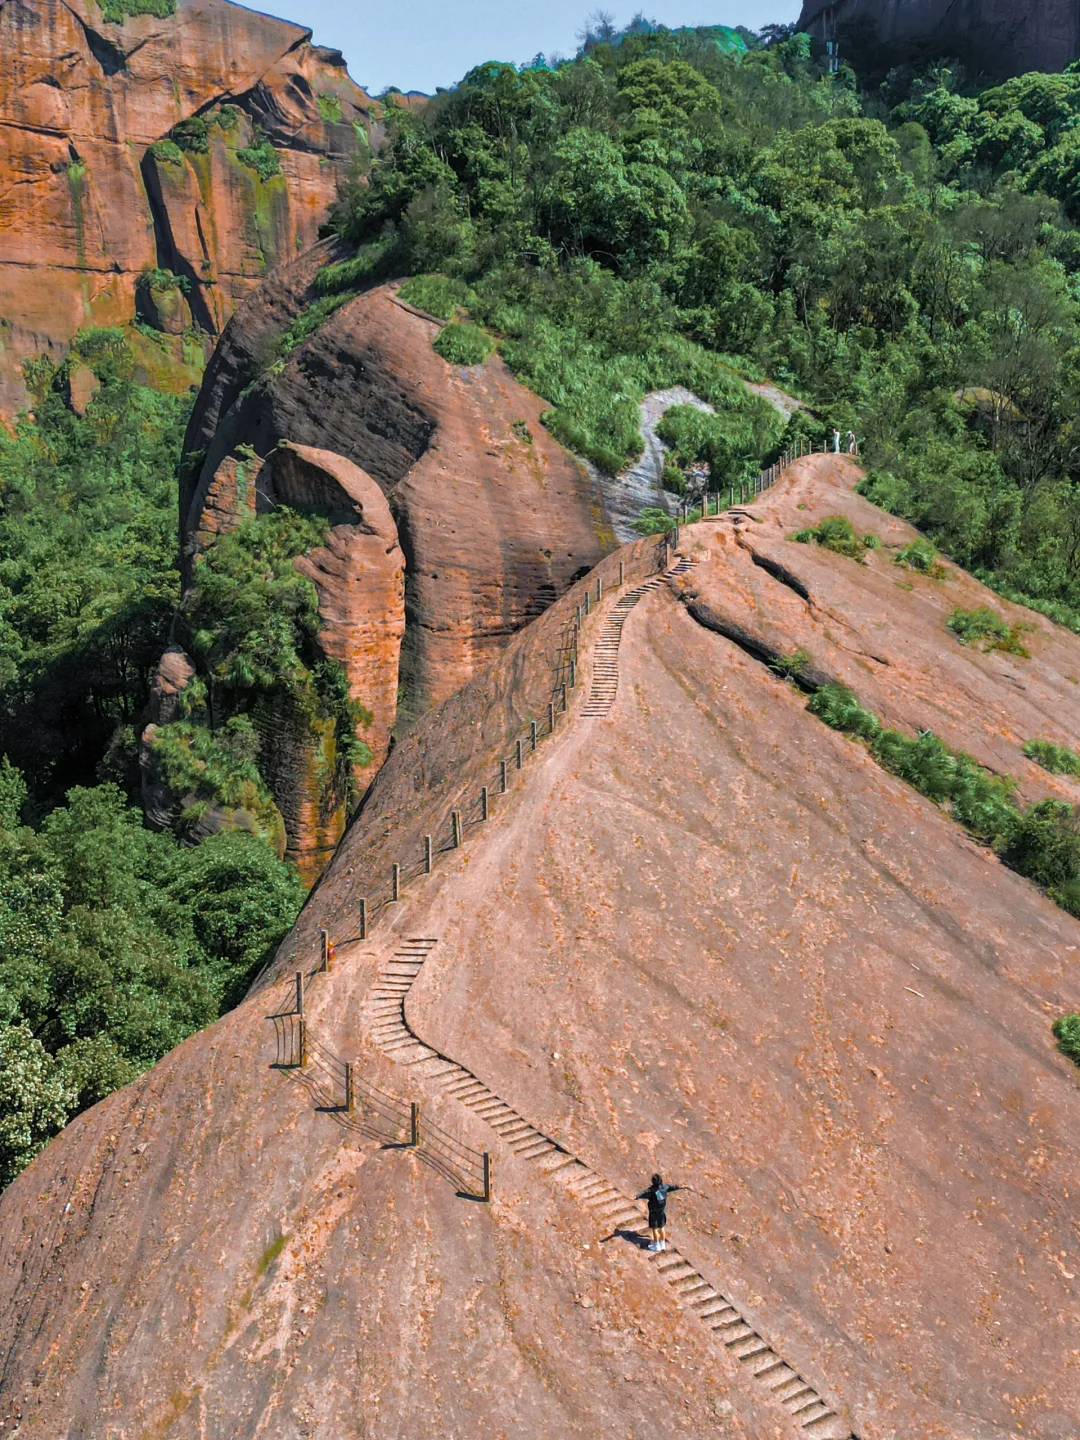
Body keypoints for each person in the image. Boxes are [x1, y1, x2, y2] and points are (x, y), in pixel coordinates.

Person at [639, 1173, 682, 1252]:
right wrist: (679, 1186)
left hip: (654, 1213)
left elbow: (643, 1193)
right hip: (661, 1212)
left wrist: (636, 1196)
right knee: (662, 1228)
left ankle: (656, 1245)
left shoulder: (651, 1190)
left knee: (654, 1229)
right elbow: (672, 1187)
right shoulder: (664, 1187)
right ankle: (662, 1244)